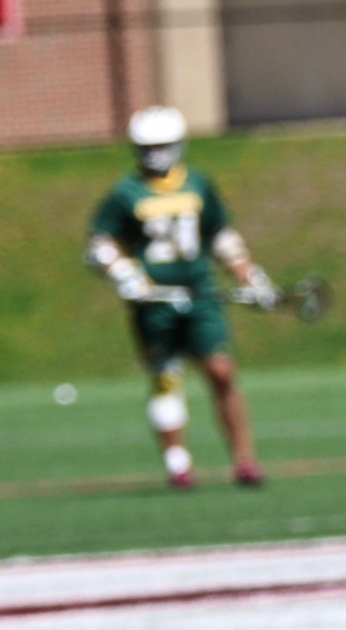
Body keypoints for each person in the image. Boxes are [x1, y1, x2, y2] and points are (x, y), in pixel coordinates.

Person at [85, 105, 273, 488]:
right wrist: (124, 272)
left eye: (164, 145)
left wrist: (250, 276)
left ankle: (244, 460)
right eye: (148, 146)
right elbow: (99, 244)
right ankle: (178, 462)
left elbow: (221, 236)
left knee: (221, 370)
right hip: (153, 300)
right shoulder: (126, 192)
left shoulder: (198, 184)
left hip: (201, 292)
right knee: (166, 377)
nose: (157, 154)